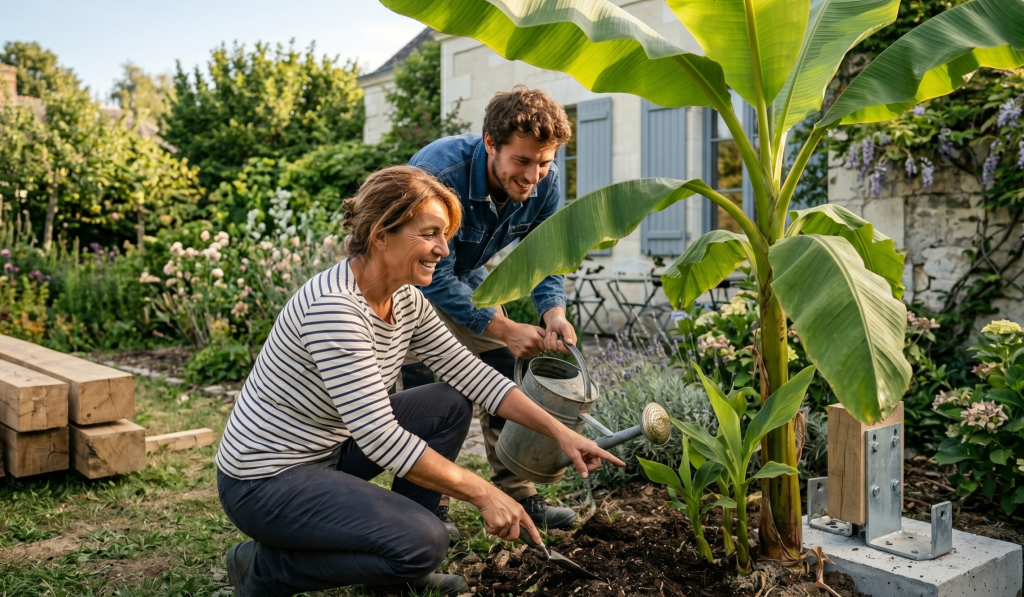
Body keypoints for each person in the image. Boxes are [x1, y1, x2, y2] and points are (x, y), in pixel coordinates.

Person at [215, 166, 623, 597]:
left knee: (448, 404)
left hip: (329, 450)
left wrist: (561, 432)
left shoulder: (405, 297)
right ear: (379, 234)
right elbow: (381, 438)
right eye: (430, 234)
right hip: (265, 480)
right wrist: (484, 493)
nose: (443, 251)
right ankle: (262, 568)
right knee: (426, 542)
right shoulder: (334, 310)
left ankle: (393, 562)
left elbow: (472, 375)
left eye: (444, 235)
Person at [400, 86, 578, 538]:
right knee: (429, 380)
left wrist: (552, 312)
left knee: (502, 359)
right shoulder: (441, 173)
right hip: (413, 273)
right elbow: (434, 272)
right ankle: (421, 504)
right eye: (523, 161)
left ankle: (518, 489)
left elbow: (545, 254)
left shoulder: (546, 181)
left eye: (544, 162)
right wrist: (502, 324)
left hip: (466, 271)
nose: (534, 175)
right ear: (491, 144)